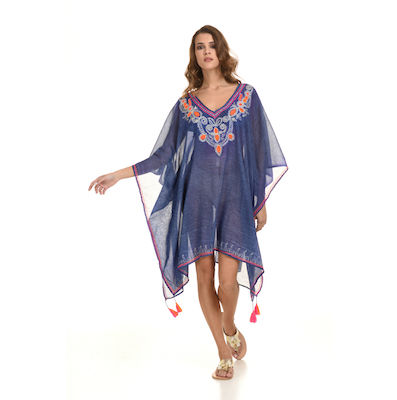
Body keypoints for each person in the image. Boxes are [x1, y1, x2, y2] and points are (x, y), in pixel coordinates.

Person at [88, 25, 288, 380]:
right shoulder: (186, 105)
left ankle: (229, 325)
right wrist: (118, 174)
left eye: (211, 45)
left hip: (235, 199)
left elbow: (260, 152)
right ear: (194, 55)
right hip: (196, 200)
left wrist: (260, 201)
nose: (206, 51)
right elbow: (162, 155)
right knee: (204, 277)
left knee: (228, 282)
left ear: (221, 51)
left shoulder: (246, 96)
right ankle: (223, 353)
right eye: (199, 47)